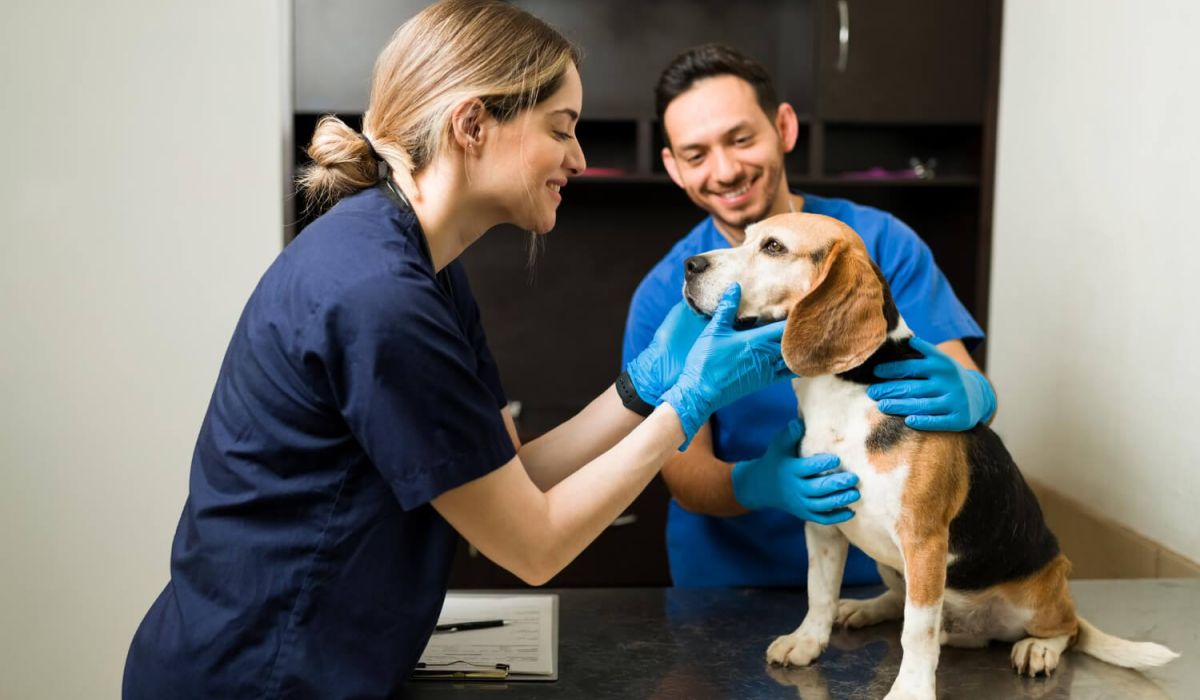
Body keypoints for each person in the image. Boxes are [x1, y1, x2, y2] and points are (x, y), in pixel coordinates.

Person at [122, 6, 794, 699]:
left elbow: (511, 476)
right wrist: (688, 404)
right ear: (472, 124)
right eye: (560, 129)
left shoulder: (425, 270)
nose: (579, 158)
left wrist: (645, 384)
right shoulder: (379, 297)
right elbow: (533, 544)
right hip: (258, 676)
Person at [621, 44, 995, 588]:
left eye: (741, 139)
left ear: (784, 128)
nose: (724, 171)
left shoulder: (877, 246)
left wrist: (973, 394)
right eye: (696, 154)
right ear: (674, 168)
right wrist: (758, 483)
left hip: (881, 577)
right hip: (729, 588)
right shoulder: (670, 295)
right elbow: (681, 471)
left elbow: (968, 388)